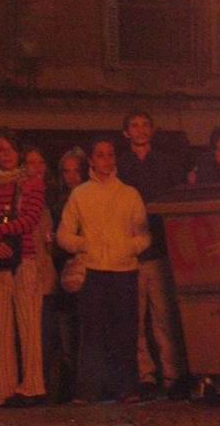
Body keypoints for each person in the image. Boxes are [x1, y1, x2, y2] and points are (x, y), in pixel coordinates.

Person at [57, 136, 150, 404]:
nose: (106, 160)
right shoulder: (80, 194)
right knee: (92, 334)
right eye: (100, 155)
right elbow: (64, 233)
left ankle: (127, 388)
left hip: (124, 271)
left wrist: (127, 248)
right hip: (93, 271)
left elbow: (143, 236)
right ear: (92, 160)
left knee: (125, 332)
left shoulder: (130, 194)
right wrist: (84, 244)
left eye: (110, 155)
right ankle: (88, 390)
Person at [116, 110, 188, 401]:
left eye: (145, 125)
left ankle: (172, 373)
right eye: (134, 125)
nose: (140, 130)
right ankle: (145, 375)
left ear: (152, 130)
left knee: (163, 316)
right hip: (130, 252)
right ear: (126, 132)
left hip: (159, 249)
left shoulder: (166, 165)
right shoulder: (120, 166)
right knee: (136, 318)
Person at [0, 129, 46, 406]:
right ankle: (3, 388)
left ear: (19, 153)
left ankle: (32, 386)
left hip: (24, 260)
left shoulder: (32, 184)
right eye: (1, 150)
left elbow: (30, 218)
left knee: (28, 324)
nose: (5, 155)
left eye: (10, 150)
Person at [42, 147, 88, 403]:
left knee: (84, 330)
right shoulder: (58, 201)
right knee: (65, 331)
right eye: (66, 171)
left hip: (86, 268)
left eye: (75, 170)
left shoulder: (88, 199)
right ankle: (70, 387)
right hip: (61, 270)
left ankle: (85, 386)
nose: (71, 176)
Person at [23, 146, 58, 403]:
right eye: (30, 163)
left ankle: (43, 385)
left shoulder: (50, 202)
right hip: (26, 273)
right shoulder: (20, 200)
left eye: (40, 162)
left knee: (44, 334)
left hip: (45, 276)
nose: (36, 168)